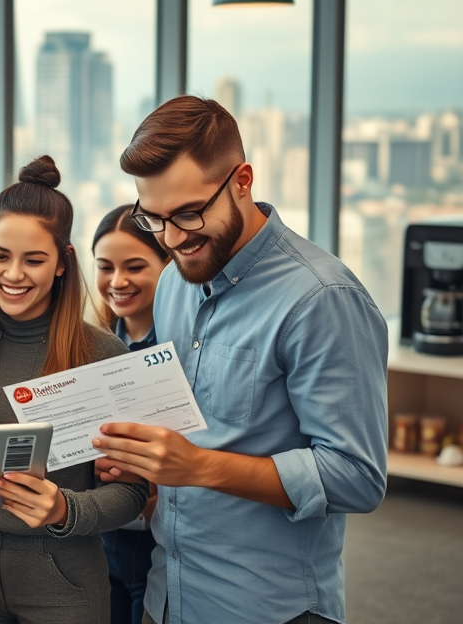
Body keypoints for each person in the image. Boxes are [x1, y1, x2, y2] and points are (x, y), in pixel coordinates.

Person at [94, 95, 388, 624]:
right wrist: (142, 458)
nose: (173, 238)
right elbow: (183, 425)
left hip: (267, 608)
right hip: (166, 595)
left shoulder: (322, 299)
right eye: (154, 219)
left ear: (242, 181)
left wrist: (198, 467)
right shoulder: (173, 283)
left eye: (189, 213)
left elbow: (358, 477)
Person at [0, 155, 149, 624]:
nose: (13, 274)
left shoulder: (102, 353)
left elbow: (133, 491)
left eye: (34, 260)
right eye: (0, 255)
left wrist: (64, 508)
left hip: (63, 581)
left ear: (62, 263)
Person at [91, 205, 169, 624]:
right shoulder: (92, 347)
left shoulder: (181, 351)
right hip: (103, 534)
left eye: (135, 267)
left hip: (160, 538)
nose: (118, 281)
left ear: (168, 265)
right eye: (105, 267)